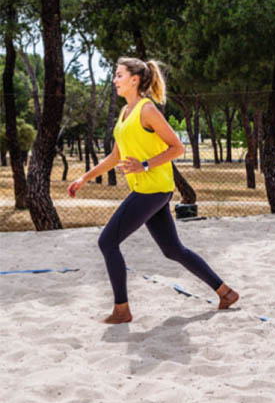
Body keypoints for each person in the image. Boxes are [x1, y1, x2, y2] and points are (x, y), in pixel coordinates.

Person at [68, 57, 238, 324]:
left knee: (107, 242)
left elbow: (177, 148)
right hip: (151, 190)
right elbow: (115, 157)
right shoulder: (125, 114)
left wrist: (144, 164)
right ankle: (225, 292)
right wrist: (84, 178)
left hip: (153, 189)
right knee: (173, 250)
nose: (115, 80)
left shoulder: (147, 110)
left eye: (119, 75)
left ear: (134, 79)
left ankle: (122, 310)